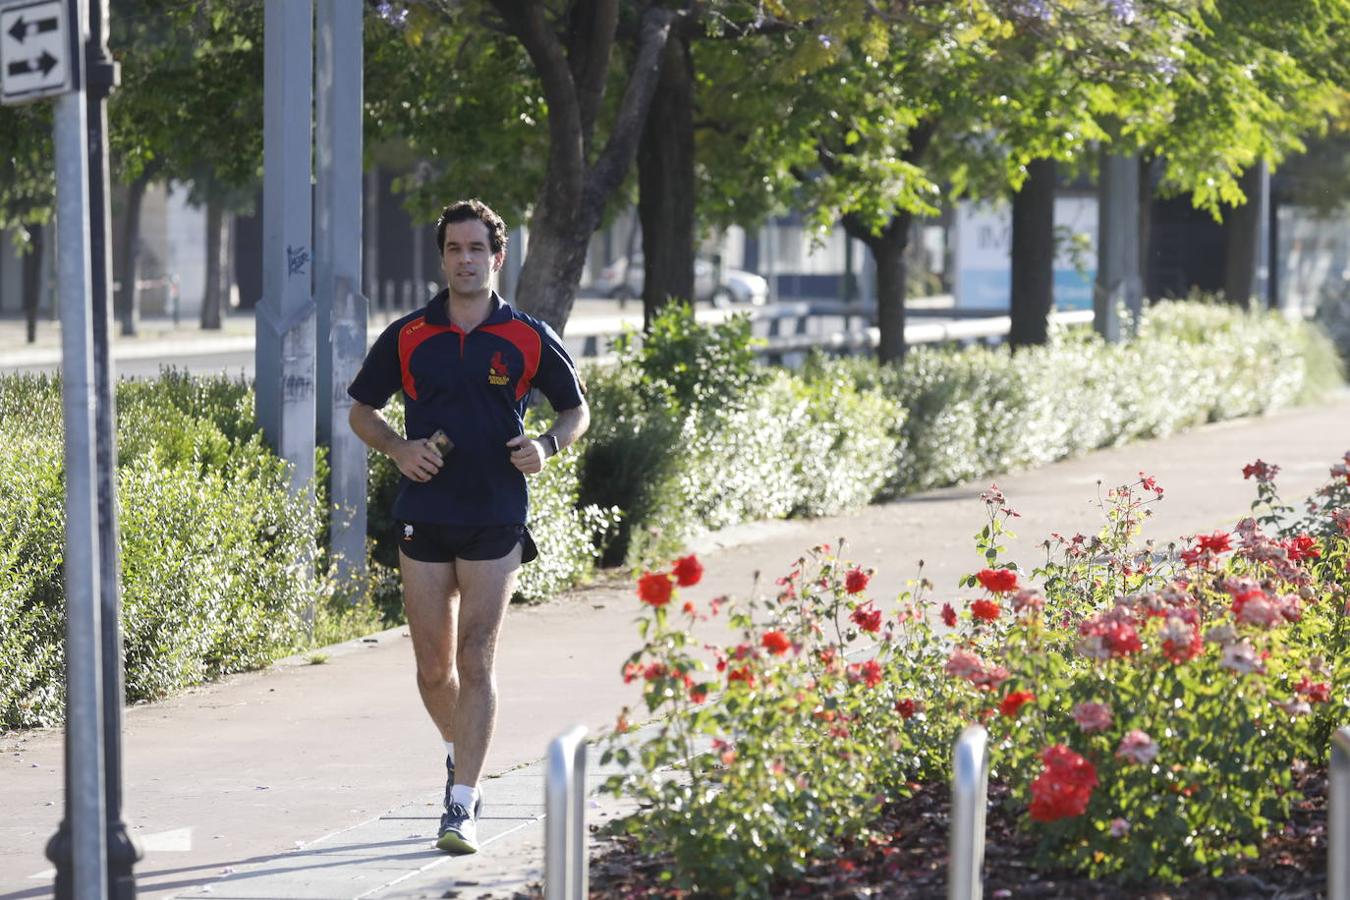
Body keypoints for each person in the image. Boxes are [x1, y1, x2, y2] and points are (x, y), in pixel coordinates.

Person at [346, 198, 590, 854]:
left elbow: (576, 411)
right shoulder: (408, 334)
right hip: (424, 514)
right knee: (432, 669)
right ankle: (464, 751)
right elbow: (362, 410)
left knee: (475, 656)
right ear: (443, 257)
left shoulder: (527, 334)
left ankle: (462, 804)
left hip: (495, 514)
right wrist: (398, 447)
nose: (465, 259)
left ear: (497, 256)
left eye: (476, 249)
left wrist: (548, 445)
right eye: (454, 249)